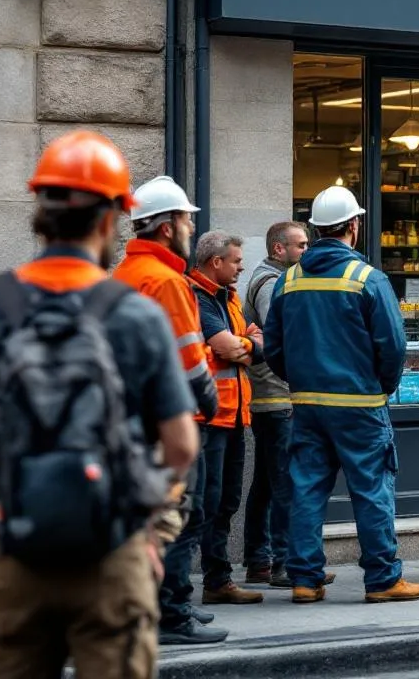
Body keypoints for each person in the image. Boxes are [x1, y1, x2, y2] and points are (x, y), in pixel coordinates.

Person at [0, 130, 200, 677]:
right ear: (114, 216)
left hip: (16, 549)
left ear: (40, 209)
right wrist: (147, 528)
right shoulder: (133, 312)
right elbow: (181, 444)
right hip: (112, 550)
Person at [262, 185, 419, 603]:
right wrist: (380, 386)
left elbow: (274, 348)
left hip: (307, 405)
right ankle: (383, 579)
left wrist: (300, 380)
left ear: (315, 230)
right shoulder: (368, 278)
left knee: (307, 490)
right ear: (354, 225)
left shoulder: (290, 279)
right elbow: (393, 346)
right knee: (371, 490)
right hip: (360, 406)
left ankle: (304, 579)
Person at [112, 175, 227, 645]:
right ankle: (172, 614)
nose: (188, 228)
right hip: (170, 422)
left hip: (132, 419)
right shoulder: (167, 282)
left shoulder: (123, 275)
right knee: (182, 517)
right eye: (185, 219)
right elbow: (189, 357)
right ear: (166, 227)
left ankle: (157, 603)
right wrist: (209, 402)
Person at [187, 231, 264, 605]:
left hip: (234, 416)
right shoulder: (196, 296)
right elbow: (232, 346)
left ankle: (218, 580)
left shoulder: (228, 298)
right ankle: (207, 579)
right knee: (208, 500)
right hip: (208, 416)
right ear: (216, 262)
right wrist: (248, 345)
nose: (241, 266)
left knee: (228, 498)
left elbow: (243, 349)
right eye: (235, 260)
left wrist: (244, 347)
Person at [242, 221, 310, 588]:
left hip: (269, 396)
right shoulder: (272, 284)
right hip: (276, 395)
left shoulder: (274, 279)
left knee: (266, 484)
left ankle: (258, 561)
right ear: (278, 249)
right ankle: (284, 563)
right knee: (285, 482)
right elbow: (281, 334)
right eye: (300, 245)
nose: (306, 251)